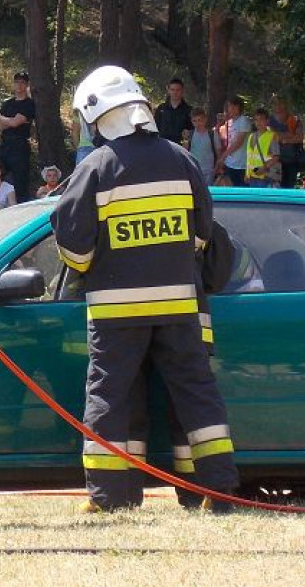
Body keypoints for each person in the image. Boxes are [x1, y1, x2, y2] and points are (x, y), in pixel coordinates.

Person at [51, 65, 238, 514]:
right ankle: (221, 493)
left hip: (116, 313)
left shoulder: (96, 167)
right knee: (196, 395)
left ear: (97, 117)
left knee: (110, 397)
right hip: (179, 305)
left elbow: (72, 248)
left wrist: (104, 264)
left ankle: (111, 499)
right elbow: (201, 234)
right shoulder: (181, 158)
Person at [0, 71, 37, 201]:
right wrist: (10, 121)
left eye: (22, 82)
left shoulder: (29, 104)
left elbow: (14, 123)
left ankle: (21, 204)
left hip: (20, 145)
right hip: (5, 144)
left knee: (20, 180)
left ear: (27, 85)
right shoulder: (8, 103)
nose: (19, 85)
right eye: (17, 82)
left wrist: (1, 117)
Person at [269, 96, 305, 188]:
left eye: (280, 103)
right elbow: (271, 136)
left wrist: (284, 140)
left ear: (285, 104)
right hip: (275, 161)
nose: (277, 106)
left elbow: (299, 137)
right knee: (275, 187)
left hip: (292, 160)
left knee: (289, 187)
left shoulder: (294, 119)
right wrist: (290, 134)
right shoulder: (269, 121)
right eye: (274, 103)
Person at [216, 97, 251, 187]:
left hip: (241, 164)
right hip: (230, 163)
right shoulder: (229, 123)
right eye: (229, 107)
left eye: (234, 107)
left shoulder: (244, 120)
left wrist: (223, 156)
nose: (231, 109)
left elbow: (238, 142)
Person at [245, 108, 280, 187]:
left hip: (265, 176)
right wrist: (247, 174)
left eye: (261, 119)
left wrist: (264, 168)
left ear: (267, 121)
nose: (258, 122)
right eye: (256, 120)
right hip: (252, 176)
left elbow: (276, 157)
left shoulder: (272, 136)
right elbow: (249, 157)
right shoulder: (251, 136)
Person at [154, 77, 194, 145]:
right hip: (163, 146)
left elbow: (194, 130)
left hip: (181, 148)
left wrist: (189, 133)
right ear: (168, 91)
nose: (175, 92)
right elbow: (155, 128)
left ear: (182, 91)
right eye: (172, 90)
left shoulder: (189, 110)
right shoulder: (161, 109)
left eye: (178, 90)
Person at [186, 108, 220, 185]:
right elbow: (186, 152)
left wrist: (216, 169)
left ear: (205, 120)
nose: (197, 123)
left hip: (209, 171)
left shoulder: (213, 134)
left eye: (199, 120)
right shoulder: (190, 135)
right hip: (194, 170)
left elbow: (219, 154)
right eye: (194, 121)